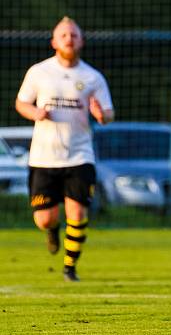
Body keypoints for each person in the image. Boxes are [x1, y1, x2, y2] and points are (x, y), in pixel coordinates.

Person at [15, 16, 115, 282]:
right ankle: (51, 231)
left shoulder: (92, 77)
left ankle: (70, 268)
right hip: (44, 157)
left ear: (81, 41)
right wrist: (35, 112)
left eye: (74, 34)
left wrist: (100, 115)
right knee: (45, 219)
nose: (69, 38)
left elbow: (108, 113)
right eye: (64, 35)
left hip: (80, 154)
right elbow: (21, 103)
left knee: (78, 212)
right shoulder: (39, 72)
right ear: (54, 42)